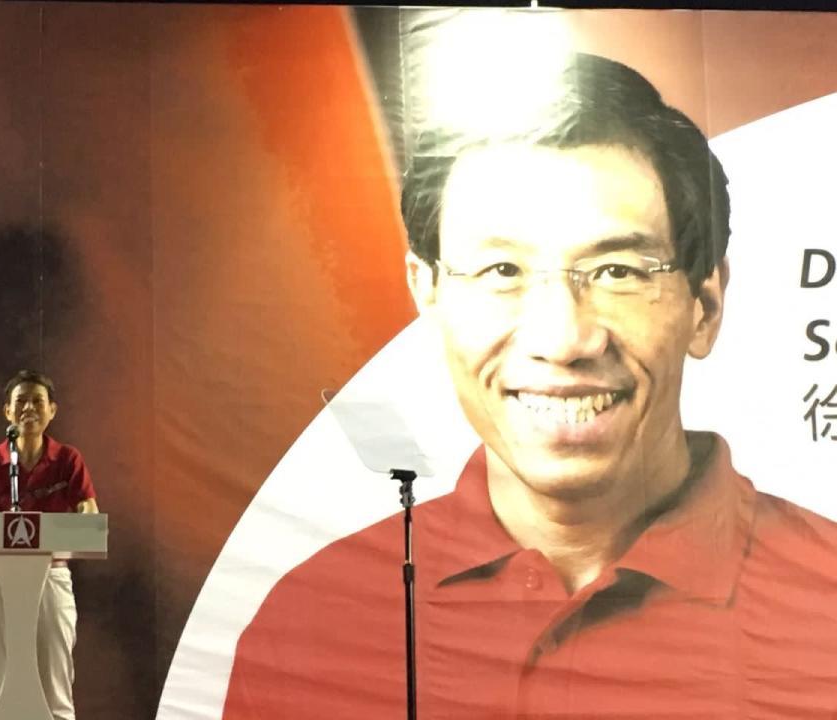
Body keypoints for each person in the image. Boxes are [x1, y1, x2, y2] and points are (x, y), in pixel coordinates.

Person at [222, 53, 837, 718]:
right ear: (427, 293)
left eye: (618, 271)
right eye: (502, 269)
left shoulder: (825, 603)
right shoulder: (309, 622)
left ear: (704, 306)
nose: (563, 339)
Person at [0, 369, 98, 720]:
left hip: (51, 573)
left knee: (55, 679)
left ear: (53, 410)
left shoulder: (68, 460)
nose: (29, 409)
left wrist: (77, 523)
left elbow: (88, 513)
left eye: (38, 401)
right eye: (20, 402)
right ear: (7, 411)